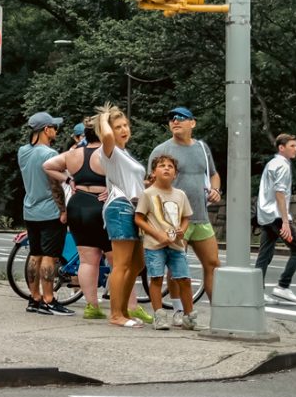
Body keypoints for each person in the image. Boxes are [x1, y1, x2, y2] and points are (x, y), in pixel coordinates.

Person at [148, 108, 222, 307]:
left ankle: (219, 310)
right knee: (176, 268)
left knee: (213, 263)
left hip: (200, 216)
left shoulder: (202, 148)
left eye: (181, 118)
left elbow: (213, 174)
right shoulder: (162, 151)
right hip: (174, 219)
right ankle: (178, 310)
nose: (175, 121)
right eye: (171, 118)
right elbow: (149, 183)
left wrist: (216, 189)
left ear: (192, 123)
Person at [95, 105, 152, 329]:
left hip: (133, 207)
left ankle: (124, 310)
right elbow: (107, 135)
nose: (124, 130)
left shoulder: (125, 153)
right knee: (121, 264)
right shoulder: (109, 150)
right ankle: (116, 314)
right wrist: (104, 117)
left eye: (126, 125)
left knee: (137, 263)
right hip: (120, 207)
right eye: (118, 127)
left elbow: (134, 181)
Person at [46, 123, 110, 316]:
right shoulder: (107, 154)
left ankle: (92, 307)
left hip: (77, 204)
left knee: (87, 261)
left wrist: (68, 180)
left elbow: (47, 166)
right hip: (99, 205)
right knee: (118, 262)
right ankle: (121, 308)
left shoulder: (73, 154)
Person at [136, 154, 197, 329]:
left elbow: (186, 217)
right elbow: (139, 218)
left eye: (170, 166)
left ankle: (188, 315)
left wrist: (182, 231)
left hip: (176, 245)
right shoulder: (148, 194)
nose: (166, 168)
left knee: (184, 278)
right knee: (156, 278)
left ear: (175, 174)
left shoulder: (180, 195)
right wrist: (157, 234)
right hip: (154, 245)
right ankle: (159, 315)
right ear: (153, 172)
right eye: (162, 165)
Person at [17, 113, 67, 314]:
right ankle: (49, 299)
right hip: (49, 210)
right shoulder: (50, 154)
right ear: (46, 130)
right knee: (50, 256)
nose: (56, 130)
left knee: (35, 254)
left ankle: (34, 298)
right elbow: (56, 185)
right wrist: (63, 210)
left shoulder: (23, 152)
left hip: (30, 209)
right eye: (54, 127)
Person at [255, 133, 296, 302]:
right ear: (281, 148)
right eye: (292, 146)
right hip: (277, 216)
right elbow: (280, 193)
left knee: (264, 254)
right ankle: (283, 286)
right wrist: (285, 221)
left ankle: (255, 292)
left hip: (266, 215)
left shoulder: (272, 163)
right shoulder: (283, 165)